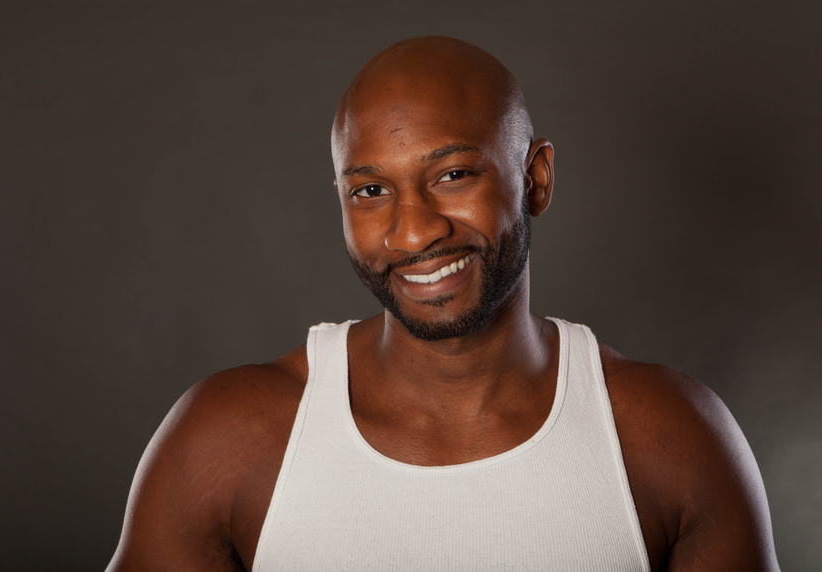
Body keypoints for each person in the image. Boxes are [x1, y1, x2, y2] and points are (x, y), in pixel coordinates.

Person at [106, 36, 779, 571]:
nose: (413, 232)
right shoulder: (228, 439)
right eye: (370, 191)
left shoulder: (669, 439)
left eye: (453, 175)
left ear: (535, 178)